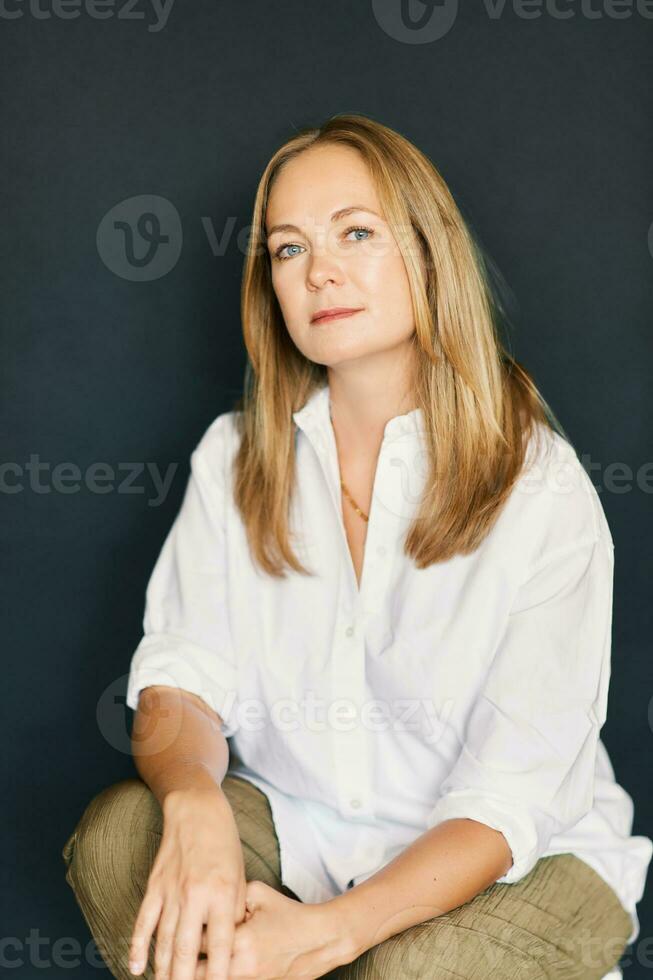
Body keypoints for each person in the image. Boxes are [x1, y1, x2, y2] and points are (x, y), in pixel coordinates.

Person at [62, 113, 652, 980]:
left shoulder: (539, 486)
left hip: (523, 856)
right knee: (123, 839)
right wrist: (193, 804)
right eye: (288, 249)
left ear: (427, 251)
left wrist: (330, 933)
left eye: (356, 233)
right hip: (306, 827)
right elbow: (182, 675)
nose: (320, 271)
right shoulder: (234, 457)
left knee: (401, 971)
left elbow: (510, 800)